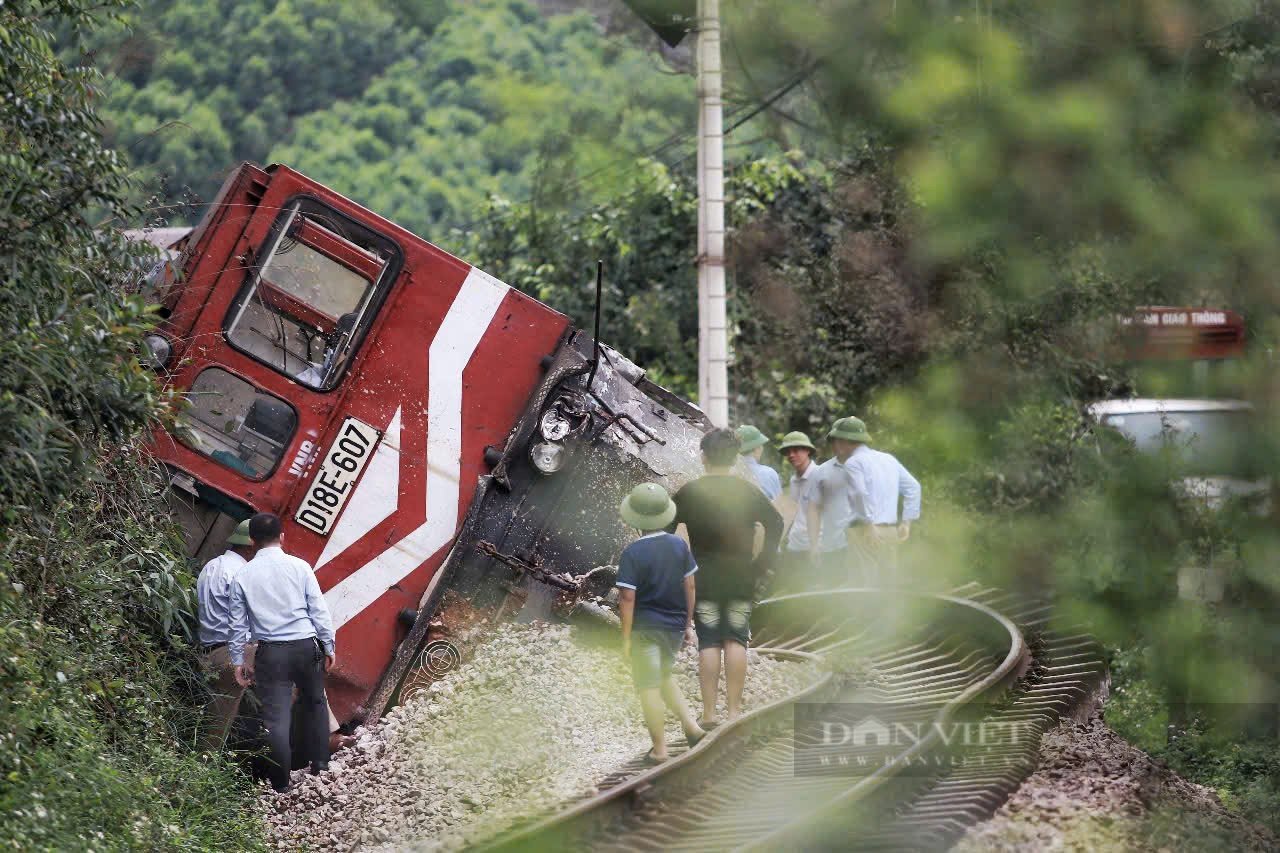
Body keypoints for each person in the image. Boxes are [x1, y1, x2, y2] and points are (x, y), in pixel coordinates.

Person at [674, 429, 783, 727]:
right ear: (735, 458)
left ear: (704, 456)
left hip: (704, 577)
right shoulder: (746, 491)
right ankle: (734, 712)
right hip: (740, 577)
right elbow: (776, 522)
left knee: (708, 641)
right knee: (736, 639)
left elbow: (664, 525)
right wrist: (762, 563)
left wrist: (676, 565)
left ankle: (709, 714)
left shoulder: (689, 492)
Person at [229, 513, 336, 793]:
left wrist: (238, 661)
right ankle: (321, 765)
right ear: (282, 537)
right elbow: (318, 610)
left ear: (252, 541)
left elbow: (238, 624)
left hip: (271, 653)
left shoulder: (242, 576)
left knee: (276, 721)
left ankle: (280, 785)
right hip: (304, 646)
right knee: (314, 703)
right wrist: (329, 644)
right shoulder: (300, 567)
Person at [616, 483, 706, 764]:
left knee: (648, 687)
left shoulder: (632, 553)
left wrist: (626, 638)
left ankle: (660, 749)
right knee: (664, 676)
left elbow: (628, 598)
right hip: (674, 628)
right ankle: (692, 728)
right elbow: (690, 586)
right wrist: (688, 624)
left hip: (646, 630)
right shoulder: (679, 545)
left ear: (635, 518)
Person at [195, 519, 257, 752]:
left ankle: (198, 770)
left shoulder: (212, 566)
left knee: (215, 726)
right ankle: (328, 738)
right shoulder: (243, 575)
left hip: (210, 653)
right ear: (252, 546)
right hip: (233, 652)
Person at [841, 418, 922, 586]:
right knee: (888, 587)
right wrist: (906, 522)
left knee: (862, 586)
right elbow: (914, 487)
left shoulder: (853, 463)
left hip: (864, 531)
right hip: (891, 531)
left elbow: (859, 493)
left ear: (843, 440)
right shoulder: (889, 459)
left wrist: (868, 525)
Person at [805, 420, 861, 587]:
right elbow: (813, 509)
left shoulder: (869, 467)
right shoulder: (822, 472)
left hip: (863, 544)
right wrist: (814, 544)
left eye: (843, 439)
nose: (838, 444)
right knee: (833, 593)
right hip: (833, 546)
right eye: (835, 440)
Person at [776, 431, 820, 592]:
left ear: (807, 450)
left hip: (816, 545)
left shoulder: (820, 476)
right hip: (795, 545)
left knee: (815, 591)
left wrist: (816, 546)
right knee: (796, 592)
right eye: (788, 452)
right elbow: (793, 512)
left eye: (796, 450)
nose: (791, 455)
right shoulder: (794, 480)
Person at [736, 424, 782, 501]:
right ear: (758, 448)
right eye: (761, 445)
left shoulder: (729, 472)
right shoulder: (769, 473)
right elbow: (781, 507)